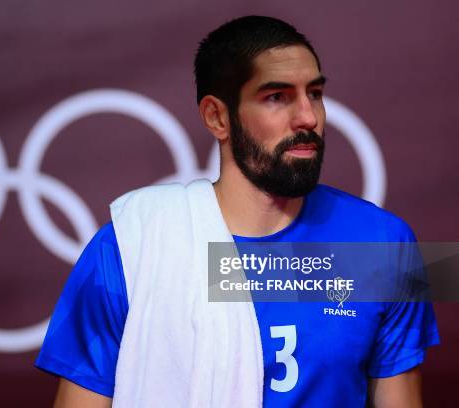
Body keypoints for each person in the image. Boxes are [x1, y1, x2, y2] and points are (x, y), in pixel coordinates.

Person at [36, 16, 439, 407]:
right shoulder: (130, 248)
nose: (308, 117)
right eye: (276, 97)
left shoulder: (383, 244)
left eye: (314, 93)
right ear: (217, 117)